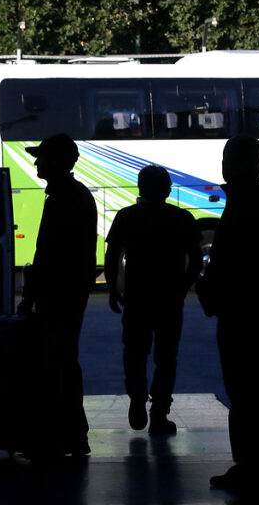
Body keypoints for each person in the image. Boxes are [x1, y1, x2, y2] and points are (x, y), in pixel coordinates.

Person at [196, 135, 259, 492]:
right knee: (252, 392)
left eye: (228, 157)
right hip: (254, 311)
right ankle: (258, 463)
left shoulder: (249, 202)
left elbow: (247, 261)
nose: (223, 164)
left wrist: (229, 289)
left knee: (246, 392)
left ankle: (252, 466)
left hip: (246, 315)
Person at [104, 165, 202, 435]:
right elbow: (195, 260)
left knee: (135, 350)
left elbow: (112, 257)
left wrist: (114, 290)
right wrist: (182, 287)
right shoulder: (182, 218)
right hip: (170, 298)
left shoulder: (126, 217)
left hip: (137, 297)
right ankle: (159, 412)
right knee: (166, 357)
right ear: (167, 189)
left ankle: (137, 393)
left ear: (140, 187)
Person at [19, 133, 97, 457]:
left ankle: (58, 439)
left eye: (42, 156)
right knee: (65, 360)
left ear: (57, 161)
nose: (37, 162)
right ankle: (73, 436)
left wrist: (30, 294)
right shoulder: (75, 195)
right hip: (70, 292)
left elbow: (48, 253)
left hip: (58, 293)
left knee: (55, 363)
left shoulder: (63, 198)